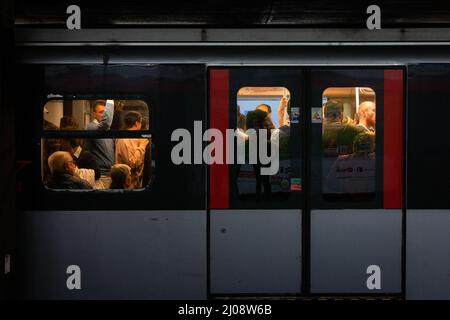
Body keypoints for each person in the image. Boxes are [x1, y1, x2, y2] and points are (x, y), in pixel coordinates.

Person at [84, 100, 115, 188]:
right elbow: (106, 123)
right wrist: (110, 100)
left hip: (109, 174)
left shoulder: (106, 130)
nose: (104, 115)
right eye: (101, 112)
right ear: (94, 113)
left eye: (106, 113)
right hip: (100, 175)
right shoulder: (91, 127)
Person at [115, 111, 149, 189]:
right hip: (127, 183)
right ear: (137, 123)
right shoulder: (124, 139)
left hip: (136, 182)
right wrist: (142, 146)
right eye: (140, 122)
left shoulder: (133, 137)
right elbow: (132, 164)